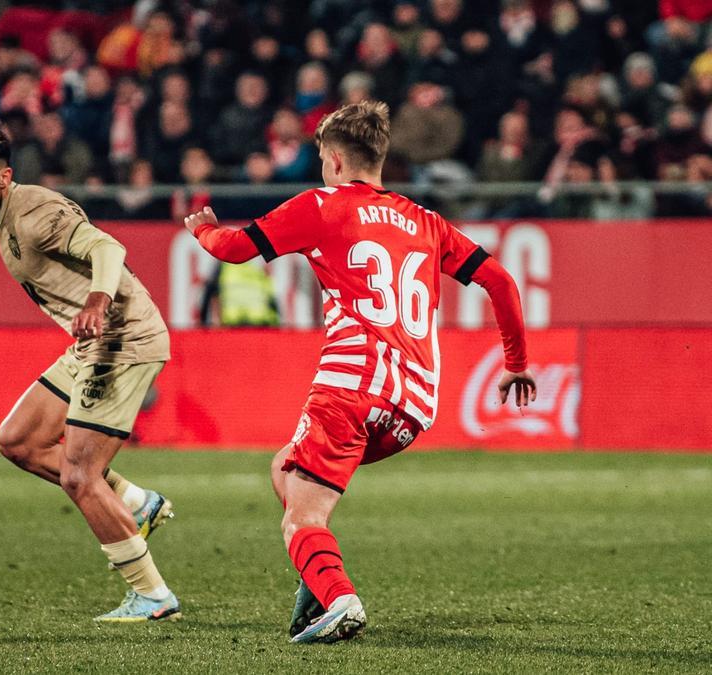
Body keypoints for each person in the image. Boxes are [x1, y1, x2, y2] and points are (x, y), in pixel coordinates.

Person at [183, 101, 536, 643]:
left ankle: (342, 599)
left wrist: (203, 230)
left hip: (349, 389)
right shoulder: (427, 222)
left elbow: (232, 249)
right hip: (413, 406)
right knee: (286, 468)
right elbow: (502, 282)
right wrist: (515, 363)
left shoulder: (322, 205)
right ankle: (318, 583)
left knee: (301, 518)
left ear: (334, 160)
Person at [0, 118, 180, 623]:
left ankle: (152, 595)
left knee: (78, 474)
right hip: (92, 343)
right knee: (19, 439)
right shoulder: (5, 219)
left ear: (4, 177)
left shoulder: (33, 212)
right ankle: (136, 503)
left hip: (122, 336)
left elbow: (107, 248)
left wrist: (97, 300)